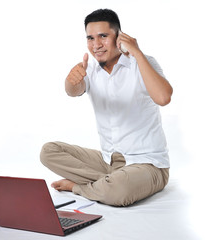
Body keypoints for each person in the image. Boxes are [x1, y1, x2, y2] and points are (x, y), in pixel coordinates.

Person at [40, 9, 173, 207]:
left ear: (119, 36)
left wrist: (136, 51)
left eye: (103, 36)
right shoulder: (90, 69)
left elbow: (163, 97)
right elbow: (73, 91)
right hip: (108, 162)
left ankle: (80, 187)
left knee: (119, 191)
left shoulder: (143, 63)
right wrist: (71, 81)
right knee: (48, 151)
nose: (96, 45)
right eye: (90, 38)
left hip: (148, 164)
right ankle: (107, 183)